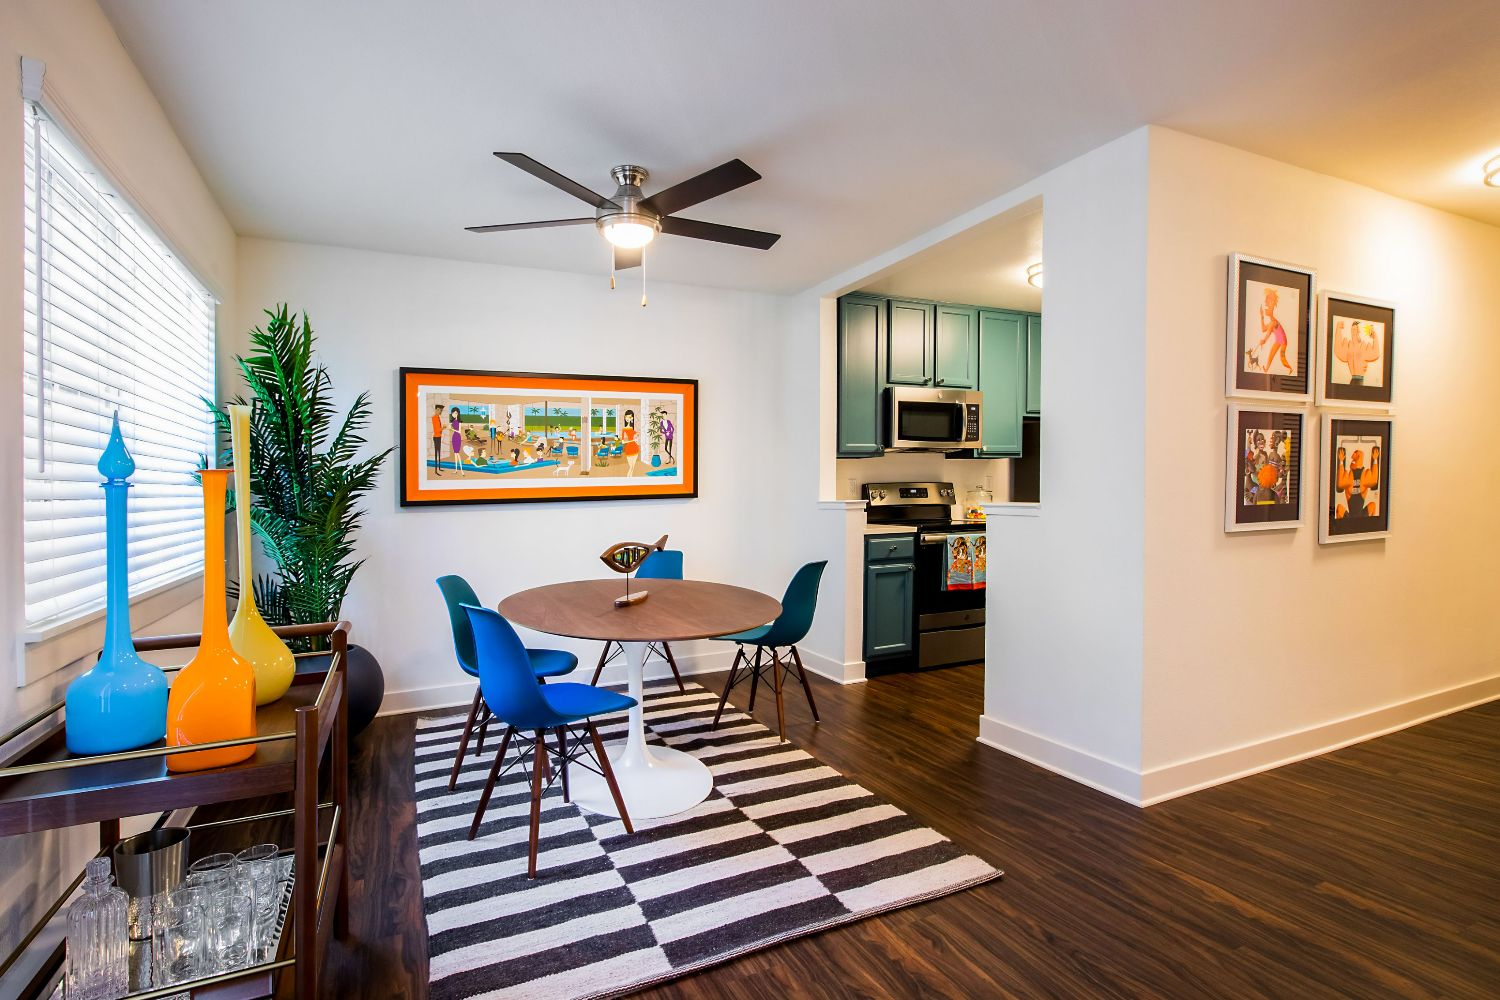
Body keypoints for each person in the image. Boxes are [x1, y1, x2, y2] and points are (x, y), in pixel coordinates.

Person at [1256, 286, 1294, 375]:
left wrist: (1264, 340)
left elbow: (1268, 333)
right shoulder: (1271, 322)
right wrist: (1261, 317)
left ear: (1272, 308)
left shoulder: (1273, 322)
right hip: (1278, 340)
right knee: (1271, 354)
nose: (1266, 309)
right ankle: (1266, 369)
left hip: (1283, 341)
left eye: (1267, 308)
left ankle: (1290, 369)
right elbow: (1263, 329)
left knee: (1282, 356)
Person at [1334, 320, 1382, 386]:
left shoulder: (1362, 348)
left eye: (1356, 330)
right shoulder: (1350, 348)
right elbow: (1338, 349)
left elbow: (1376, 354)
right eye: (1353, 330)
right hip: (1355, 380)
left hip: (1359, 380)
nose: (1355, 332)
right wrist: (1338, 329)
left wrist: (1375, 338)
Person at [621, 408, 640, 476]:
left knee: (633, 467)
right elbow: (623, 442)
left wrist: (637, 436)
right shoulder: (624, 429)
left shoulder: (632, 429)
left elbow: (636, 436)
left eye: (629, 417)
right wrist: (633, 440)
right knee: (631, 467)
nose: (627, 418)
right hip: (629, 449)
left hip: (635, 448)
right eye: (626, 416)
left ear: (632, 418)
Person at [449, 407, 465, 476]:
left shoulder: (459, 422)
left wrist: (452, 429)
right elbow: (449, 427)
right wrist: (450, 427)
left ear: (458, 413)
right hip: (453, 437)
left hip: (458, 437)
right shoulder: (452, 421)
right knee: (455, 454)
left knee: (457, 453)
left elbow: (459, 431)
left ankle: (461, 470)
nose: (454, 414)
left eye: (455, 413)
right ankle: (456, 469)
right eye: (453, 413)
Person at [430, 403, 445, 477]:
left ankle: (439, 468)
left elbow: (439, 429)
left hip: (439, 437)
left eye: (441, 410)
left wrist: (441, 429)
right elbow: (437, 430)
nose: (440, 412)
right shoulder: (434, 418)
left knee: (439, 453)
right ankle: (436, 470)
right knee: (436, 454)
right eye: (440, 410)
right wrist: (443, 428)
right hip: (436, 437)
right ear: (436, 409)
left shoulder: (438, 417)